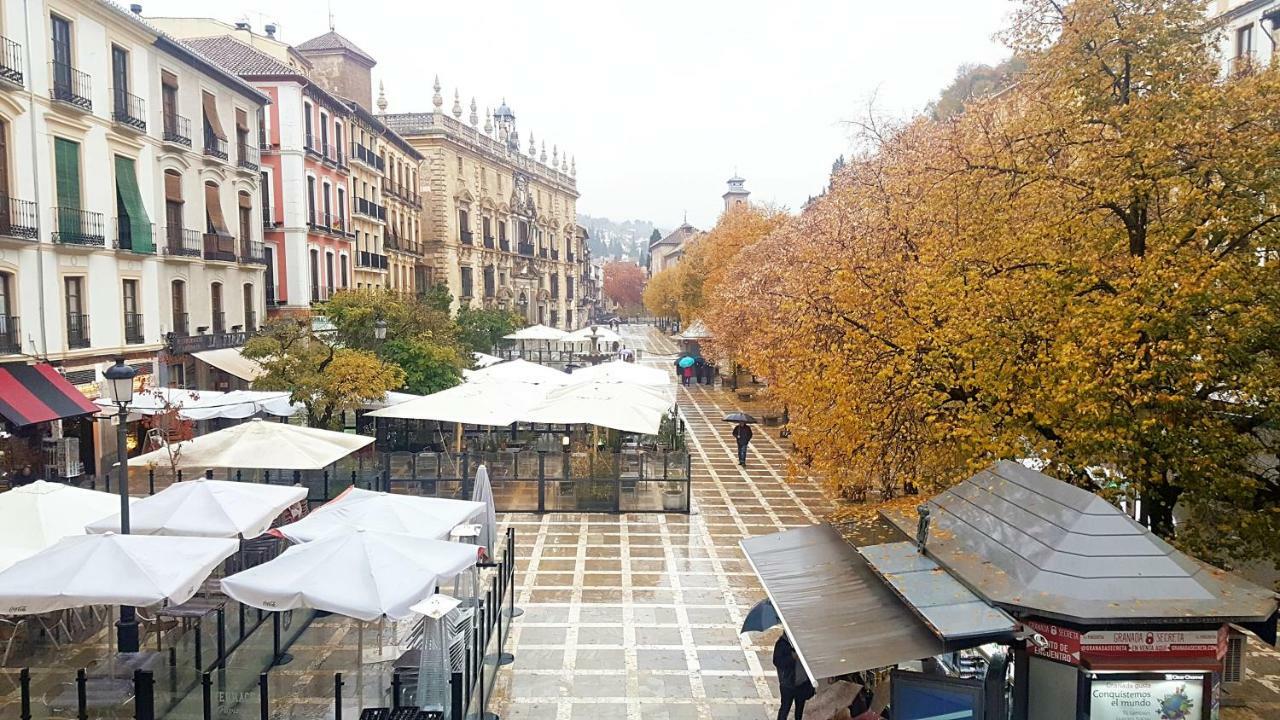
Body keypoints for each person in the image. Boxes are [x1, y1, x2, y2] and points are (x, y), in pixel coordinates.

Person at [774, 634, 815, 720]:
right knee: (785, 708)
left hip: (802, 683)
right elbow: (777, 661)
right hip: (788, 684)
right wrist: (792, 657)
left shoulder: (804, 642)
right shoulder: (782, 644)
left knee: (799, 711)